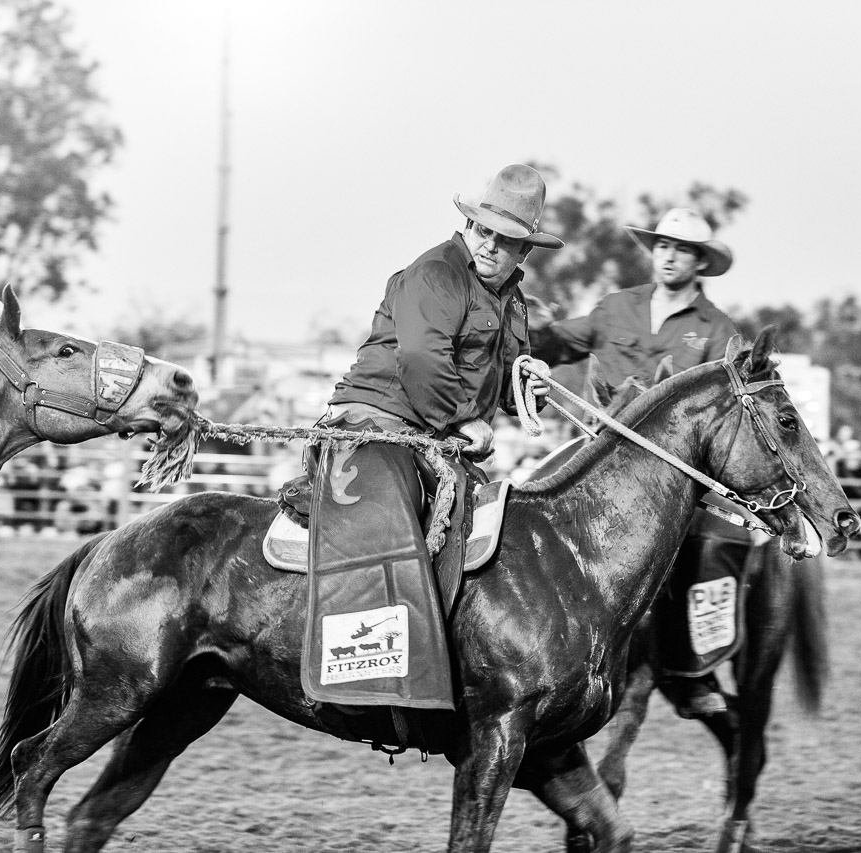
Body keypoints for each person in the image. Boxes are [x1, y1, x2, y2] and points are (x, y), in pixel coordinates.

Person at [297, 164, 561, 708]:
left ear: (524, 252)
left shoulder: (513, 303)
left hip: (432, 435)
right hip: (374, 421)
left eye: (505, 239)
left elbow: (507, 384)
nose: (489, 245)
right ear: (469, 227)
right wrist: (465, 418)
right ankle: (376, 667)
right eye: (483, 230)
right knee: (399, 518)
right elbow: (421, 358)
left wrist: (530, 385)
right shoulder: (436, 273)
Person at [528, 206, 739, 717]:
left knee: (705, 543)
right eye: (663, 245)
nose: (669, 255)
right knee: (530, 500)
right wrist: (528, 330)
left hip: (675, 476)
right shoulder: (615, 307)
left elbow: (731, 407)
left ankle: (692, 669)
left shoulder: (719, 330)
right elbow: (561, 340)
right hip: (598, 450)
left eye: (682, 248)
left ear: (701, 261)